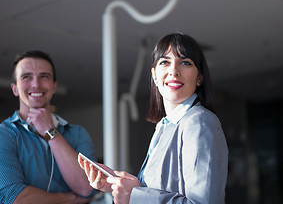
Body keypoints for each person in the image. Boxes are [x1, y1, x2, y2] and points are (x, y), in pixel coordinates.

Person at [79, 33, 229, 203]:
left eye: (185, 62)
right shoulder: (165, 126)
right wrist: (116, 184)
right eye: (165, 62)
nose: (173, 70)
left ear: (200, 77)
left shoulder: (199, 121)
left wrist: (134, 194)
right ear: (155, 76)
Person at [0, 50, 96, 204]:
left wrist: (51, 132)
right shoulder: (3, 135)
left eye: (44, 76)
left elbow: (86, 188)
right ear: (15, 88)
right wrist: (70, 199)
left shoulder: (78, 134)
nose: (36, 84)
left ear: (54, 86)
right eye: (26, 77)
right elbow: (14, 198)